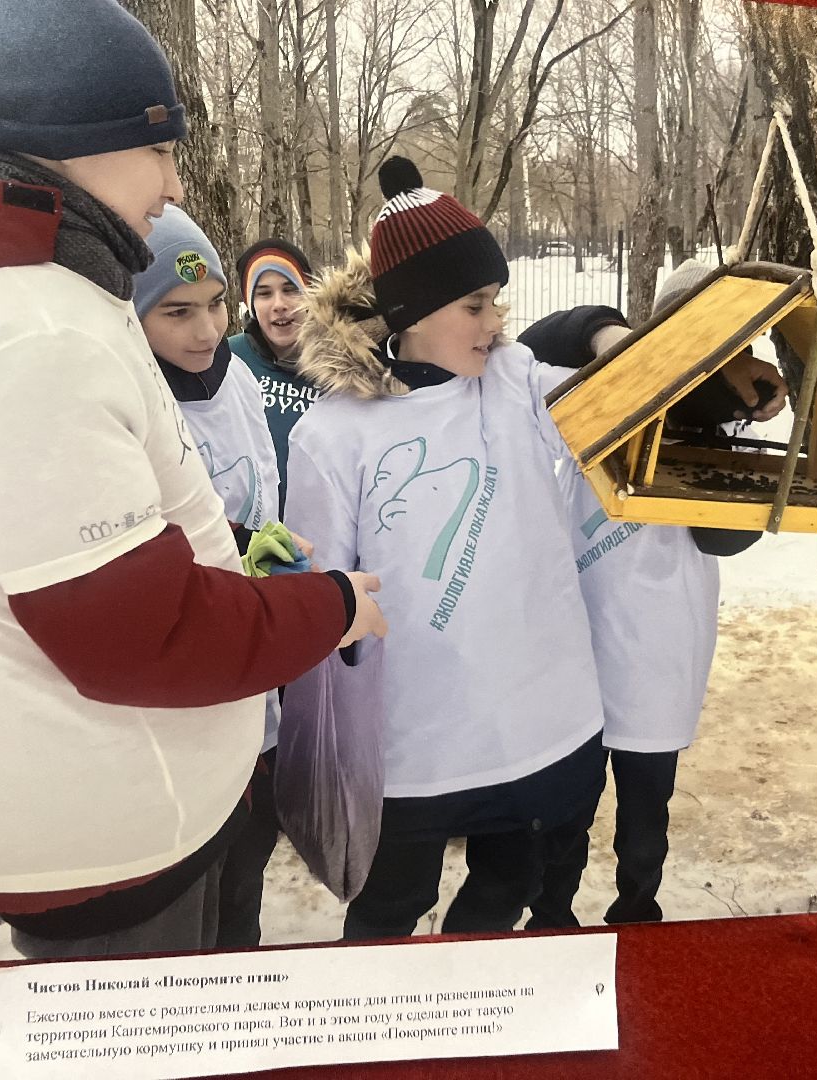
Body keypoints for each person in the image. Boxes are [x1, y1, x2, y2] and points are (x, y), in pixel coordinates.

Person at [0, 0, 385, 961]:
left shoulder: (0, 305)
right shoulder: (25, 337)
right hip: (115, 832)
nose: (173, 184)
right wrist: (329, 608)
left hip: (102, 804)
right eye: (160, 145)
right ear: (72, 138)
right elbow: (142, 639)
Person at [285, 156, 624, 940]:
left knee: (512, 890)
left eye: (497, 302)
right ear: (412, 310)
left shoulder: (509, 381)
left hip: (542, 723)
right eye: (474, 304)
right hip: (415, 744)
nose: (494, 321)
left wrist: (608, 332)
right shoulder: (332, 434)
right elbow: (322, 599)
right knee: (387, 918)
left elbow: (607, 390)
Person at [518, 259, 790, 926]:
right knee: (565, 806)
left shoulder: (721, 425)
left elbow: (720, 540)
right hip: (579, 636)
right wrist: (613, 339)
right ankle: (552, 916)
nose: (728, 359)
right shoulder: (602, 390)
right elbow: (542, 340)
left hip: (662, 643)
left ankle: (637, 912)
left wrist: (724, 439)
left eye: (739, 345)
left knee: (646, 810)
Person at [132, 205, 292, 948]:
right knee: (203, 851)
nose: (205, 330)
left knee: (251, 840)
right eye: (177, 311)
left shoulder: (233, 373)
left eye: (217, 304)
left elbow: (259, 477)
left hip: (257, 637)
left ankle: (242, 959)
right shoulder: (132, 398)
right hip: (188, 663)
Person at [228, 238, 321, 513]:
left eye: (290, 290)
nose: (279, 304)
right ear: (251, 304)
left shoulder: (341, 364)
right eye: (265, 293)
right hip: (250, 533)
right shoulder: (229, 358)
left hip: (321, 529)